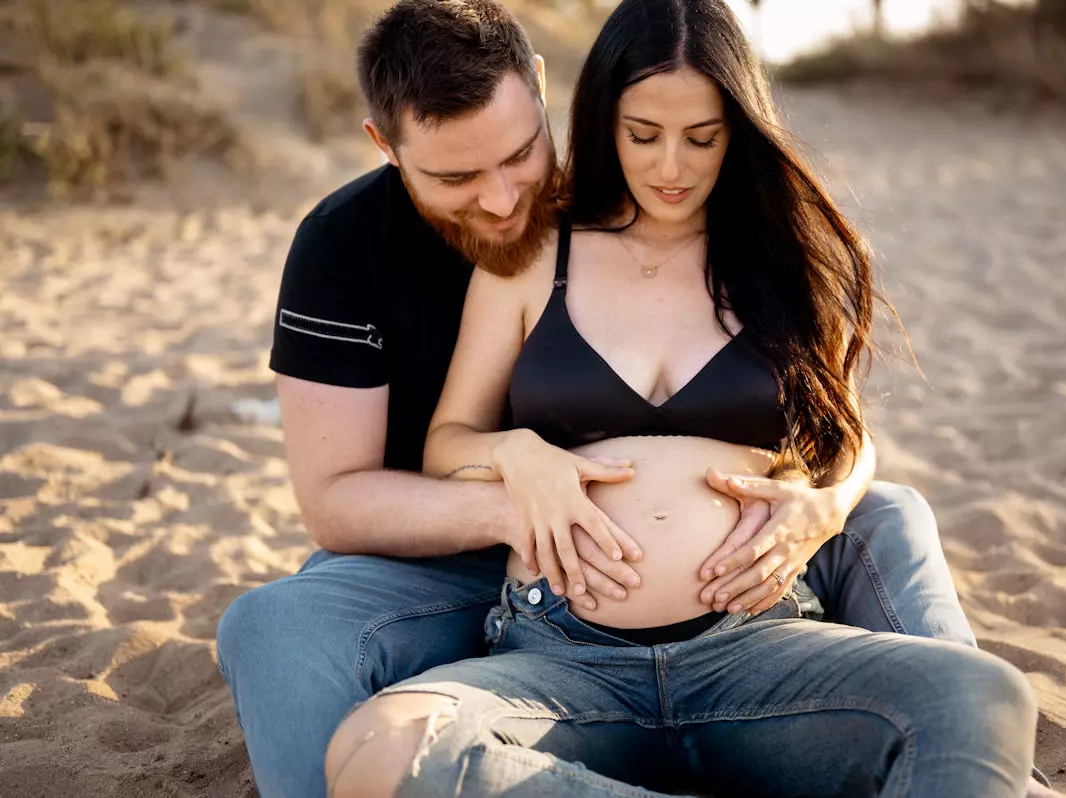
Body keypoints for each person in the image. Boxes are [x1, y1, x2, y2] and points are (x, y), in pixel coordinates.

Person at [214, 2, 998, 796]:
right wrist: (515, 488)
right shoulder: (346, 248)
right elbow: (338, 501)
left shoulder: (708, 222)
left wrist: (828, 500)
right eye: (455, 177)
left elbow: (842, 421)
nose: (499, 202)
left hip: (740, 614)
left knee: (895, 520)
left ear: (544, 90)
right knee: (277, 631)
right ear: (384, 144)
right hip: (481, 577)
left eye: (521, 155)